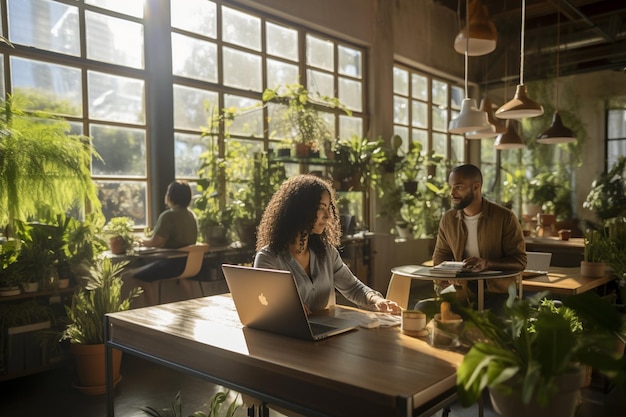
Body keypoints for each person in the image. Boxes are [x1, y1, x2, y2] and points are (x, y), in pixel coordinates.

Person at [254, 174, 401, 315]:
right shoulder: (268, 259)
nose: (328, 215)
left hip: (327, 336)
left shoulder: (326, 252)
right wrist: (288, 308)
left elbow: (353, 287)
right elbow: (266, 306)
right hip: (286, 338)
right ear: (300, 209)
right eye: (321, 208)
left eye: (328, 208)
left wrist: (376, 300)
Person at [428, 164, 526, 308]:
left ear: (476, 187)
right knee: (423, 309)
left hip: (498, 293)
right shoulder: (448, 220)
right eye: (451, 187)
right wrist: (451, 275)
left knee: (489, 323)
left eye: (459, 187)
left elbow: (520, 261)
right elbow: (440, 257)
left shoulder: (505, 217)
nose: (452, 193)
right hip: (463, 291)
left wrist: (487, 264)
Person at [123, 180, 199, 306]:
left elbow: (157, 242)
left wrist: (140, 241)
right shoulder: (191, 215)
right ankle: (192, 305)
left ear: (170, 196)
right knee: (152, 271)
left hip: (172, 264)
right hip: (189, 264)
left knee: (139, 275)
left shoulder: (168, 215)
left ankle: (151, 308)